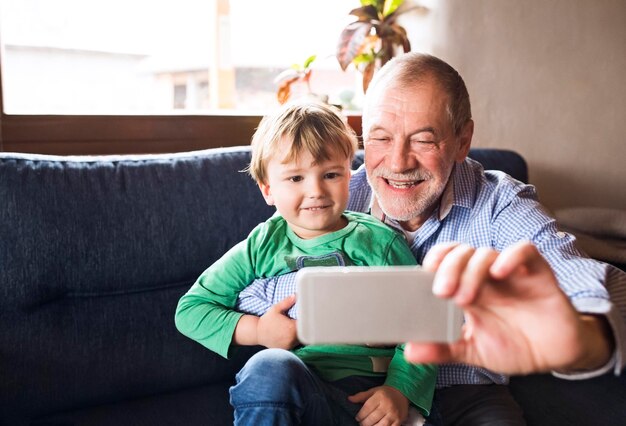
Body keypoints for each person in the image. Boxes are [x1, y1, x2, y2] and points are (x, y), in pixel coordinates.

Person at [244, 52, 626, 425]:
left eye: (423, 140)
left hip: (467, 395)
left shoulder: (499, 203)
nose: (398, 163)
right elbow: (254, 285)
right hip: (356, 392)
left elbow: (582, 277)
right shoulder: (331, 196)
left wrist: (584, 341)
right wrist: (364, 314)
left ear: (462, 140)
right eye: (380, 138)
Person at [175, 100, 437, 425]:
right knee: (265, 367)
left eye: (330, 174)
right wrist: (259, 331)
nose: (315, 190)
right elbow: (191, 310)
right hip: (293, 387)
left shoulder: (377, 242)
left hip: (367, 395)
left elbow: (426, 319)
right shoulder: (262, 244)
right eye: (296, 178)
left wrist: (400, 390)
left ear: (349, 177)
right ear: (268, 190)